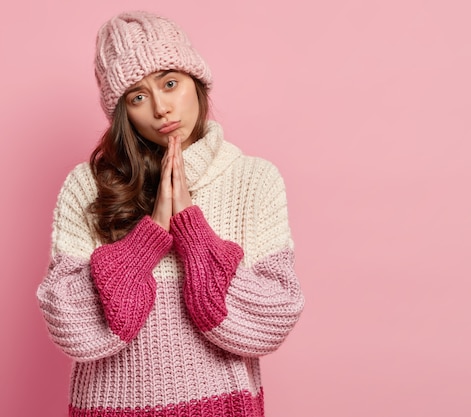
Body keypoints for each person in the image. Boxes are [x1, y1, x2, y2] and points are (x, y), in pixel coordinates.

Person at [36, 10, 304, 417]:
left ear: (196, 83)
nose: (161, 108)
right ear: (123, 112)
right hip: (108, 409)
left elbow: (272, 319)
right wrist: (149, 237)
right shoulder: (88, 185)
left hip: (222, 408)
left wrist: (193, 234)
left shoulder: (254, 179)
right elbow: (70, 325)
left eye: (170, 83)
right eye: (138, 96)